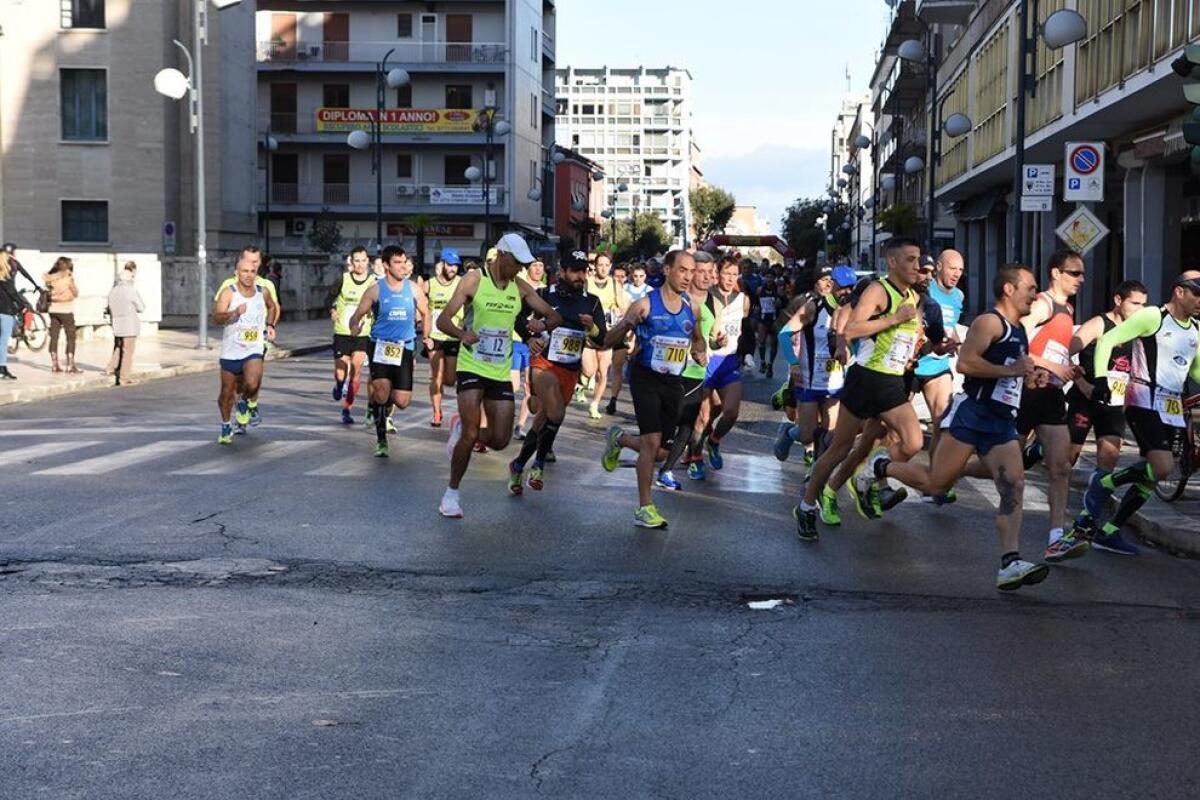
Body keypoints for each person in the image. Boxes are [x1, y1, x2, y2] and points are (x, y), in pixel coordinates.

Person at [860, 264, 1050, 590]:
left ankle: (1010, 562)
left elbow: (1010, 370)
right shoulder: (989, 322)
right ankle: (881, 465)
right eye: (1030, 287)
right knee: (936, 484)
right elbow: (966, 363)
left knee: (1013, 485)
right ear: (1008, 289)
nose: (1035, 293)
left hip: (1002, 418)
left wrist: (1030, 377)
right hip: (973, 414)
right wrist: (1012, 371)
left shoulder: (1019, 329)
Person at [794, 238, 925, 540]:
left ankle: (870, 475)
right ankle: (806, 505)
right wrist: (894, 319)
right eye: (910, 259)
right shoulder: (880, 290)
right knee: (839, 448)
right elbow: (852, 329)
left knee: (913, 441)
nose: (916, 265)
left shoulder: (913, 298)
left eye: (918, 259)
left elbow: (903, 336)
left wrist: (914, 347)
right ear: (892, 262)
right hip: (865, 379)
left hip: (892, 381)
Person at [436, 233, 562, 518]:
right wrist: (461, 334)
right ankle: (451, 495)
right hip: (471, 365)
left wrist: (538, 329)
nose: (520, 268)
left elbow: (555, 317)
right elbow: (443, 320)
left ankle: (460, 432)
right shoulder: (473, 280)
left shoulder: (520, 288)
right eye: (517, 262)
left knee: (500, 439)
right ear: (502, 256)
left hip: (499, 370)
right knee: (471, 432)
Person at [1077, 271, 1200, 555]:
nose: (1199, 301)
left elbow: (1194, 370)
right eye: (1196, 294)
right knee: (1163, 466)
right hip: (1143, 399)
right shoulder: (1152, 317)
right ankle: (1106, 482)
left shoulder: (1194, 329)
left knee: (1152, 476)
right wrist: (1100, 379)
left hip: (1172, 407)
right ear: (1179, 291)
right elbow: (1108, 340)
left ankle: (1109, 531)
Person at [600, 250, 707, 529]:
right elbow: (607, 342)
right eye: (683, 270)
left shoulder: (692, 308)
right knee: (650, 443)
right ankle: (644, 507)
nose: (688, 277)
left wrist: (700, 351)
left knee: (659, 451)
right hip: (645, 377)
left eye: (691, 271)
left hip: (674, 382)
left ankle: (620, 439)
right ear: (668, 270)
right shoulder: (644, 305)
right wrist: (626, 325)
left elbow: (698, 340)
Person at [508, 251, 606, 494]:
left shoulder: (592, 302)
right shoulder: (543, 294)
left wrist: (591, 327)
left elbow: (602, 337)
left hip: (569, 370)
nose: (580, 276)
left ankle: (518, 465)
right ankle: (539, 464)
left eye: (584, 271)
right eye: (575, 271)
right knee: (557, 413)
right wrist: (529, 337)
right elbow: (517, 316)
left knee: (544, 421)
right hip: (544, 364)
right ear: (562, 272)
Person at [1018, 249, 1087, 561]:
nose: (1080, 279)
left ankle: (1056, 539)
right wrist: (1051, 365)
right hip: (1026, 391)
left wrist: (1072, 371)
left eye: (1082, 273)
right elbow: (1016, 341)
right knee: (1001, 467)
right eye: (1074, 273)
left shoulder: (1067, 308)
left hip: (1052, 394)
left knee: (1060, 467)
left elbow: (1055, 349)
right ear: (1055, 273)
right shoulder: (1043, 303)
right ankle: (941, 478)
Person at [1064, 281, 1147, 535]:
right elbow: (1065, 351)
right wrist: (1082, 382)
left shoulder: (1140, 329)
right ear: (1118, 300)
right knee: (1068, 456)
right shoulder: (1099, 324)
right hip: (1086, 399)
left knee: (1109, 457)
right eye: (1135, 303)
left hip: (1114, 404)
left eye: (1143, 305)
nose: (1139, 309)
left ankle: (1091, 516)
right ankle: (1058, 502)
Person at [772, 265, 857, 479]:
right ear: (831, 285)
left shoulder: (852, 312)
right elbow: (784, 334)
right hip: (809, 380)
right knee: (807, 434)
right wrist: (793, 362)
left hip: (834, 381)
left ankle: (815, 475)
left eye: (851, 288)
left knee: (830, 435)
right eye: (843, 288)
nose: (847, 293)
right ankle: (790, 433)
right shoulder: (813, 308)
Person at [348, 245, 432, 457]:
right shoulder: (375, 290)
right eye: (397, 262)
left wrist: (427, 336)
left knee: (402, 401)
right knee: (382, 392)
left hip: (404, 347)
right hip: (380, 346)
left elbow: (426, 312)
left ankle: (379, 404)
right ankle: (381, 439)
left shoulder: (413, 289)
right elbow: (357, 315)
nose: (403, 267)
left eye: (404, 262)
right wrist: (354, 326)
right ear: (386, 265)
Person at [656, 250, 720, 489]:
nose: (703, 277)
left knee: (687, 426)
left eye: (706, 272)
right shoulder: (677, 300)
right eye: (697, 271)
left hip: (697, 373)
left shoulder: (714, 305)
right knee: (663, 435)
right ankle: (623, 440)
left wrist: (716, 342)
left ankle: (666, 472)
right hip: (672, 372)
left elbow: (710, 338)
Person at [912, 249, 965, 503]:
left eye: (961, 270)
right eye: (952, 268)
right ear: (940, 267)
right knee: (884, 432)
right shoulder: (924, 288)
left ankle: (935, 483)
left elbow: (951, 325)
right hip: (911, 365)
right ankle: (873, 476)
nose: (956, 274)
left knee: (943, 424)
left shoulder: (959, 296)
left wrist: (955, 341)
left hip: (937, 364)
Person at [212, 248, 279, 444]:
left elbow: (273, 306)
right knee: (226, 393)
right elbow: (216, 318)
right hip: (231, 350)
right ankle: (225, 425)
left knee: (252, 382)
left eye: (252, 271)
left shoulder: (262, 291)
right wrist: (233, 313)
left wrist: (270, 325)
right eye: (244, 271)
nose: (249, 275)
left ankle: (244, 402)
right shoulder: (228, 292)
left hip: (253, 348)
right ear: (236, 273)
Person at [700, 255, 752, 471]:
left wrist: (748, 353)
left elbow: (746, 329)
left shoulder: (744, 300)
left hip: (729, 361)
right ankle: (693, 457)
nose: (730, 278)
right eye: (726, 273)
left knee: (730, 411)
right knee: (703, 415)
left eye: (734, 274)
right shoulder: (705, 297)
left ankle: (714, 441)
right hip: (706, 360)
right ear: (717, 274)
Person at [326, 245, 375, 424]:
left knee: (356, 370)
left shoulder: (373, 282)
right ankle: (339, 385)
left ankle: (347, 409)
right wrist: (332, 309)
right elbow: (329, 296)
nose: (360, 264)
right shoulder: (343, 279)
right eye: (357, 261)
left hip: (363, 333)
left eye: (363, 261)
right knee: (341, 373)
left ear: (367, 261)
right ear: (351, 262)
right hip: (342, 332)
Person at [582, 253, 627, 419]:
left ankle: (595, 404)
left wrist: (617, 310)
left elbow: (622, 307)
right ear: (595, 266)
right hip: (588, 333)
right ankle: (583, 379)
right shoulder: (587, 283)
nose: (603, 268)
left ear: (611, 266)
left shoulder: (615, 284)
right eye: (600, 265)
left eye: (607, 265)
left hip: (607, 333)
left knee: (603, 372)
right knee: (589, 370)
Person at [426, 248, 463, 427]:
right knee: (436, 376)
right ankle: (436, 412)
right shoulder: (430, 284)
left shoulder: (461, 283)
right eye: (449, 265)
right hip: (435, 336)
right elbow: (420, 306)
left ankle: (439, 389)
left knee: (450, 379)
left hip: (454, 336)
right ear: (441, 264)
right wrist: (423, 331)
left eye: (456, 266)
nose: (453, 269)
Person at [513, 258, 548, 437]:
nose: (538, 268)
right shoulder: (519, 286)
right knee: (513, 386)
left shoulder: (545, 290)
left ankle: (520, 425)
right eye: (534, 265)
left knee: (529, 386)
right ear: (527, 269)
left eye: (541, 265)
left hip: (535, 345)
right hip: (515, 340)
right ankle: (501, 415)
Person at [105, 262, 146, 386]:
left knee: (118, 346)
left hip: (117, 323)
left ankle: (111, 368)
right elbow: (141, 307)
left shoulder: (113, 291)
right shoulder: (131, 290)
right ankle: (124, 377)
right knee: (128, 351)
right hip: (129, 324)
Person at [45, 257, 81, 374]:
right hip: (66, 309)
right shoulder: (68, 278)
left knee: (54, 336)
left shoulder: (50, 279)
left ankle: (55, 364)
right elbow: (75, 293)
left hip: (53, 309)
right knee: (70, 336)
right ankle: (70, 364)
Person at [0, 250, 25, 380]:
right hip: (5, 311)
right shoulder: (6, 278)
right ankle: (2, 368)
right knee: (3, 340)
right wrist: (24, 305)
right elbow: (13, 294)